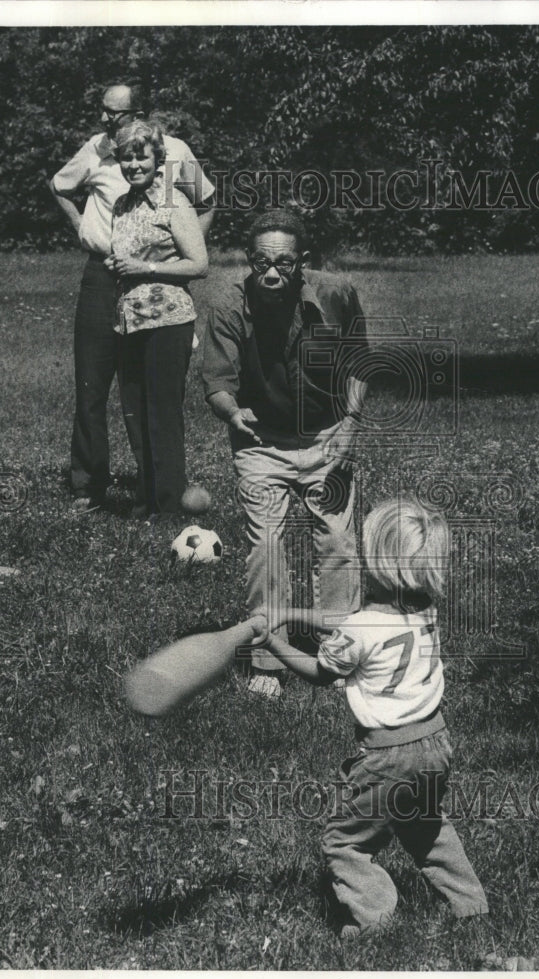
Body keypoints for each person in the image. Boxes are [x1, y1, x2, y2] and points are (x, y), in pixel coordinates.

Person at [257, 498, 489, 937]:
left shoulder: (359, 630)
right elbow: (349, 622)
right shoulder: (425, 609)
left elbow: (322, 672)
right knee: (425, 826)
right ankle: (470, 905)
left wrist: (275, 644)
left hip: (387, 755)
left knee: (344, 842)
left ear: (376, 562)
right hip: (435, 743)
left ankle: (375, 921)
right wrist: (289, 614)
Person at [202, 209, 369, 697]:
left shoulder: (336, 294)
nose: (271, 274)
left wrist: (350, 425)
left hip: (327, 435)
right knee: (267, 545)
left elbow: (360, 363)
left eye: (283, 263)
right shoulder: (229, 304)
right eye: (260, 263)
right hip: (260, 442)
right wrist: (232, 413)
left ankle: (340, 653)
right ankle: (266, 661)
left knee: (338, 542)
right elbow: (216, 382)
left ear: (304, 262)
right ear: (249, 262)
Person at [49, 82, 215, 512]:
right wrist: (86, 230)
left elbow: (209, 202)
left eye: (115, 113)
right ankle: (88, 484)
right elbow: (59, 186)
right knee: (93, 382)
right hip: (104, 276)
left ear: (141, 113)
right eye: (103, 111)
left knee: (149, 389)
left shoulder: (175, 150)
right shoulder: (95, 148)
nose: (106, 120)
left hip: (157, 280)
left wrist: (176, 252)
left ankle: (156, 487)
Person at [106, 119, 208, 519]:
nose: (133, 165)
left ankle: (169, 506)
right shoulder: (122, 205)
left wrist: (143, 269)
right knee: (135, 412)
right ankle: (145, 498)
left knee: (162, 414)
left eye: (141, 156)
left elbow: (199, 264)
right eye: (126, 157)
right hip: (129, 322)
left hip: (167, 322)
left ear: (157, 158)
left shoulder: (172, 201)